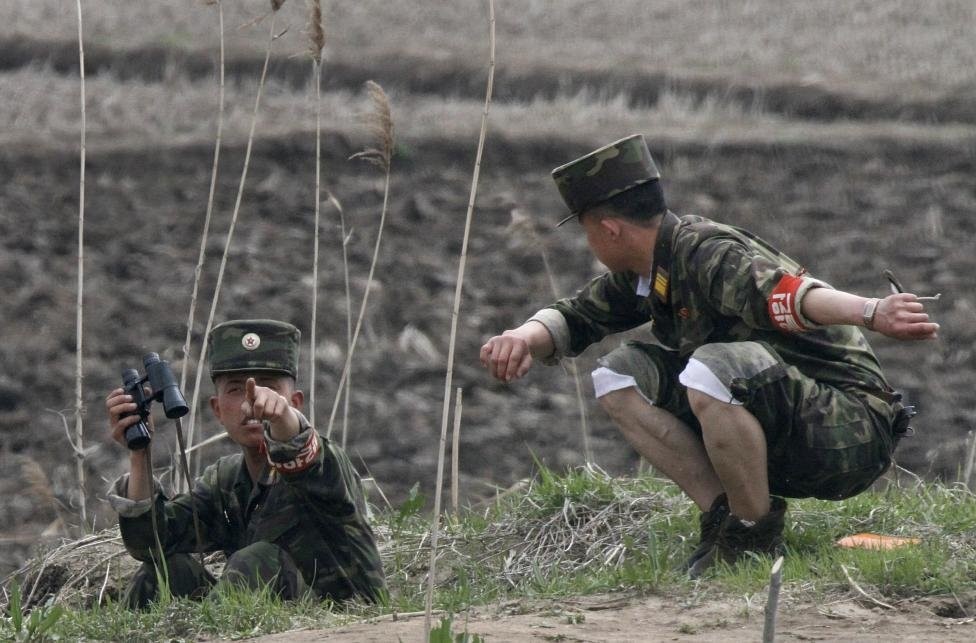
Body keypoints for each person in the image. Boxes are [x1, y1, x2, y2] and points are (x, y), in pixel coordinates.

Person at [480, 134, 938, 577]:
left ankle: (755, 534)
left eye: (586, 231)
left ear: (609, 229)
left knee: (713, 367)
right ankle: (726, 518)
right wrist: (522, 337)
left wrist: (871, 311)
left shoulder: (706, 253)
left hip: (848, 433)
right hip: (786, 418)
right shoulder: (648, 269)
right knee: (620, 376)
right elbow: (578, 316)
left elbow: (791, 295)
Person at [106, 319, 386, 607]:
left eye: (269, 388)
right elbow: (151, 543)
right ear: (217, 409)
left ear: (296, 402)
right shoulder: (227, 481)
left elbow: (301, 452)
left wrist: (283, 419)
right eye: (236, 390)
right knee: (164, 572)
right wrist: (139, 453)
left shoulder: (324, 463)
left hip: (343, 617)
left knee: (257, 561)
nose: (250, 402)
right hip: (262, 620)